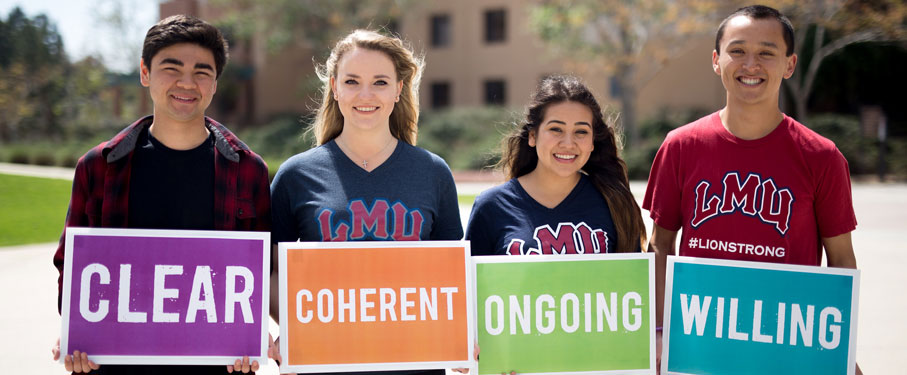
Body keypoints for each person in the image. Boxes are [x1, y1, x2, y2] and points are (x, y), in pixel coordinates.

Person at [642, 5, 861, 373]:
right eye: (738, 50)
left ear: (789, 65)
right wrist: (661, 331)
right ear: (716, 60)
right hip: (699, 346)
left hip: (785, 347)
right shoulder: (680, 146)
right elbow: (660, 245)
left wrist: (840, 347)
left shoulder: (821, 157)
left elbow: (841, 261)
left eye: (766, 53)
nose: (751, 64)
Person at [51, 15, 271, 374]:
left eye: (202, 71)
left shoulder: (249, 171)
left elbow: (259, 273)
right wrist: (75, 331)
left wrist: (251, 338)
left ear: (215, 83)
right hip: (118, 366)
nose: (187, 82)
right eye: (172, 68)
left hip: (215, 367)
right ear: (145, 72)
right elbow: (71, 264)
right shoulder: (98, 166)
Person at [269, 29, 463, 375]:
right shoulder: (296, 175)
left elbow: (453, 275)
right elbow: (268, 270)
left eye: (380, 82)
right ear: (334, 87)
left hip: (415, 363)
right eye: (353, 81)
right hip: (324, 362)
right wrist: (292, 328)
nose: (365, 94)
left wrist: (459, 337)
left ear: (399, 89)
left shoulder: (432, 172)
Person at [466, 75, 645, 256]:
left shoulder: (615, 202)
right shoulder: (491, 207)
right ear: (533, 136)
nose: (568, 143)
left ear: (593, 142)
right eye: (556, 129)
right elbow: (472, 282)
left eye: (581, 132)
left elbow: (634, 282)